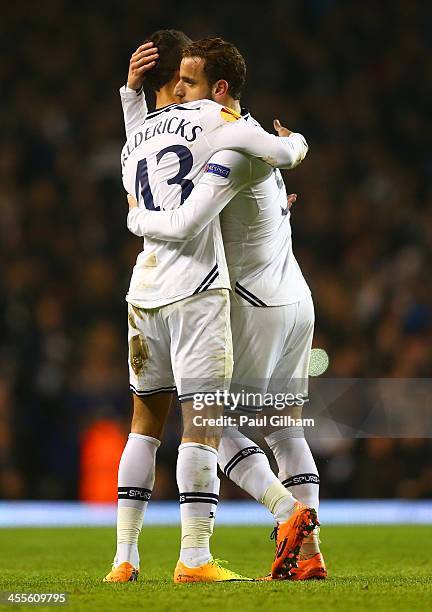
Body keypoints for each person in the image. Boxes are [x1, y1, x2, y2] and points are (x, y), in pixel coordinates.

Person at [104, 30, 312, 584]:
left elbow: (141, 154)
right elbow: (281, 153)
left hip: (142, 293)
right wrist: (298, 146)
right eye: (183, 79)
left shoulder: (137, 136)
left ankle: (125, 558)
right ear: (181, 82)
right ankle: (200, 554)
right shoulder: (219, 124)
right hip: (200, 292)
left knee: (144, 426)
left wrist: (130, 98)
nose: (185, 88)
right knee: (207, 426)